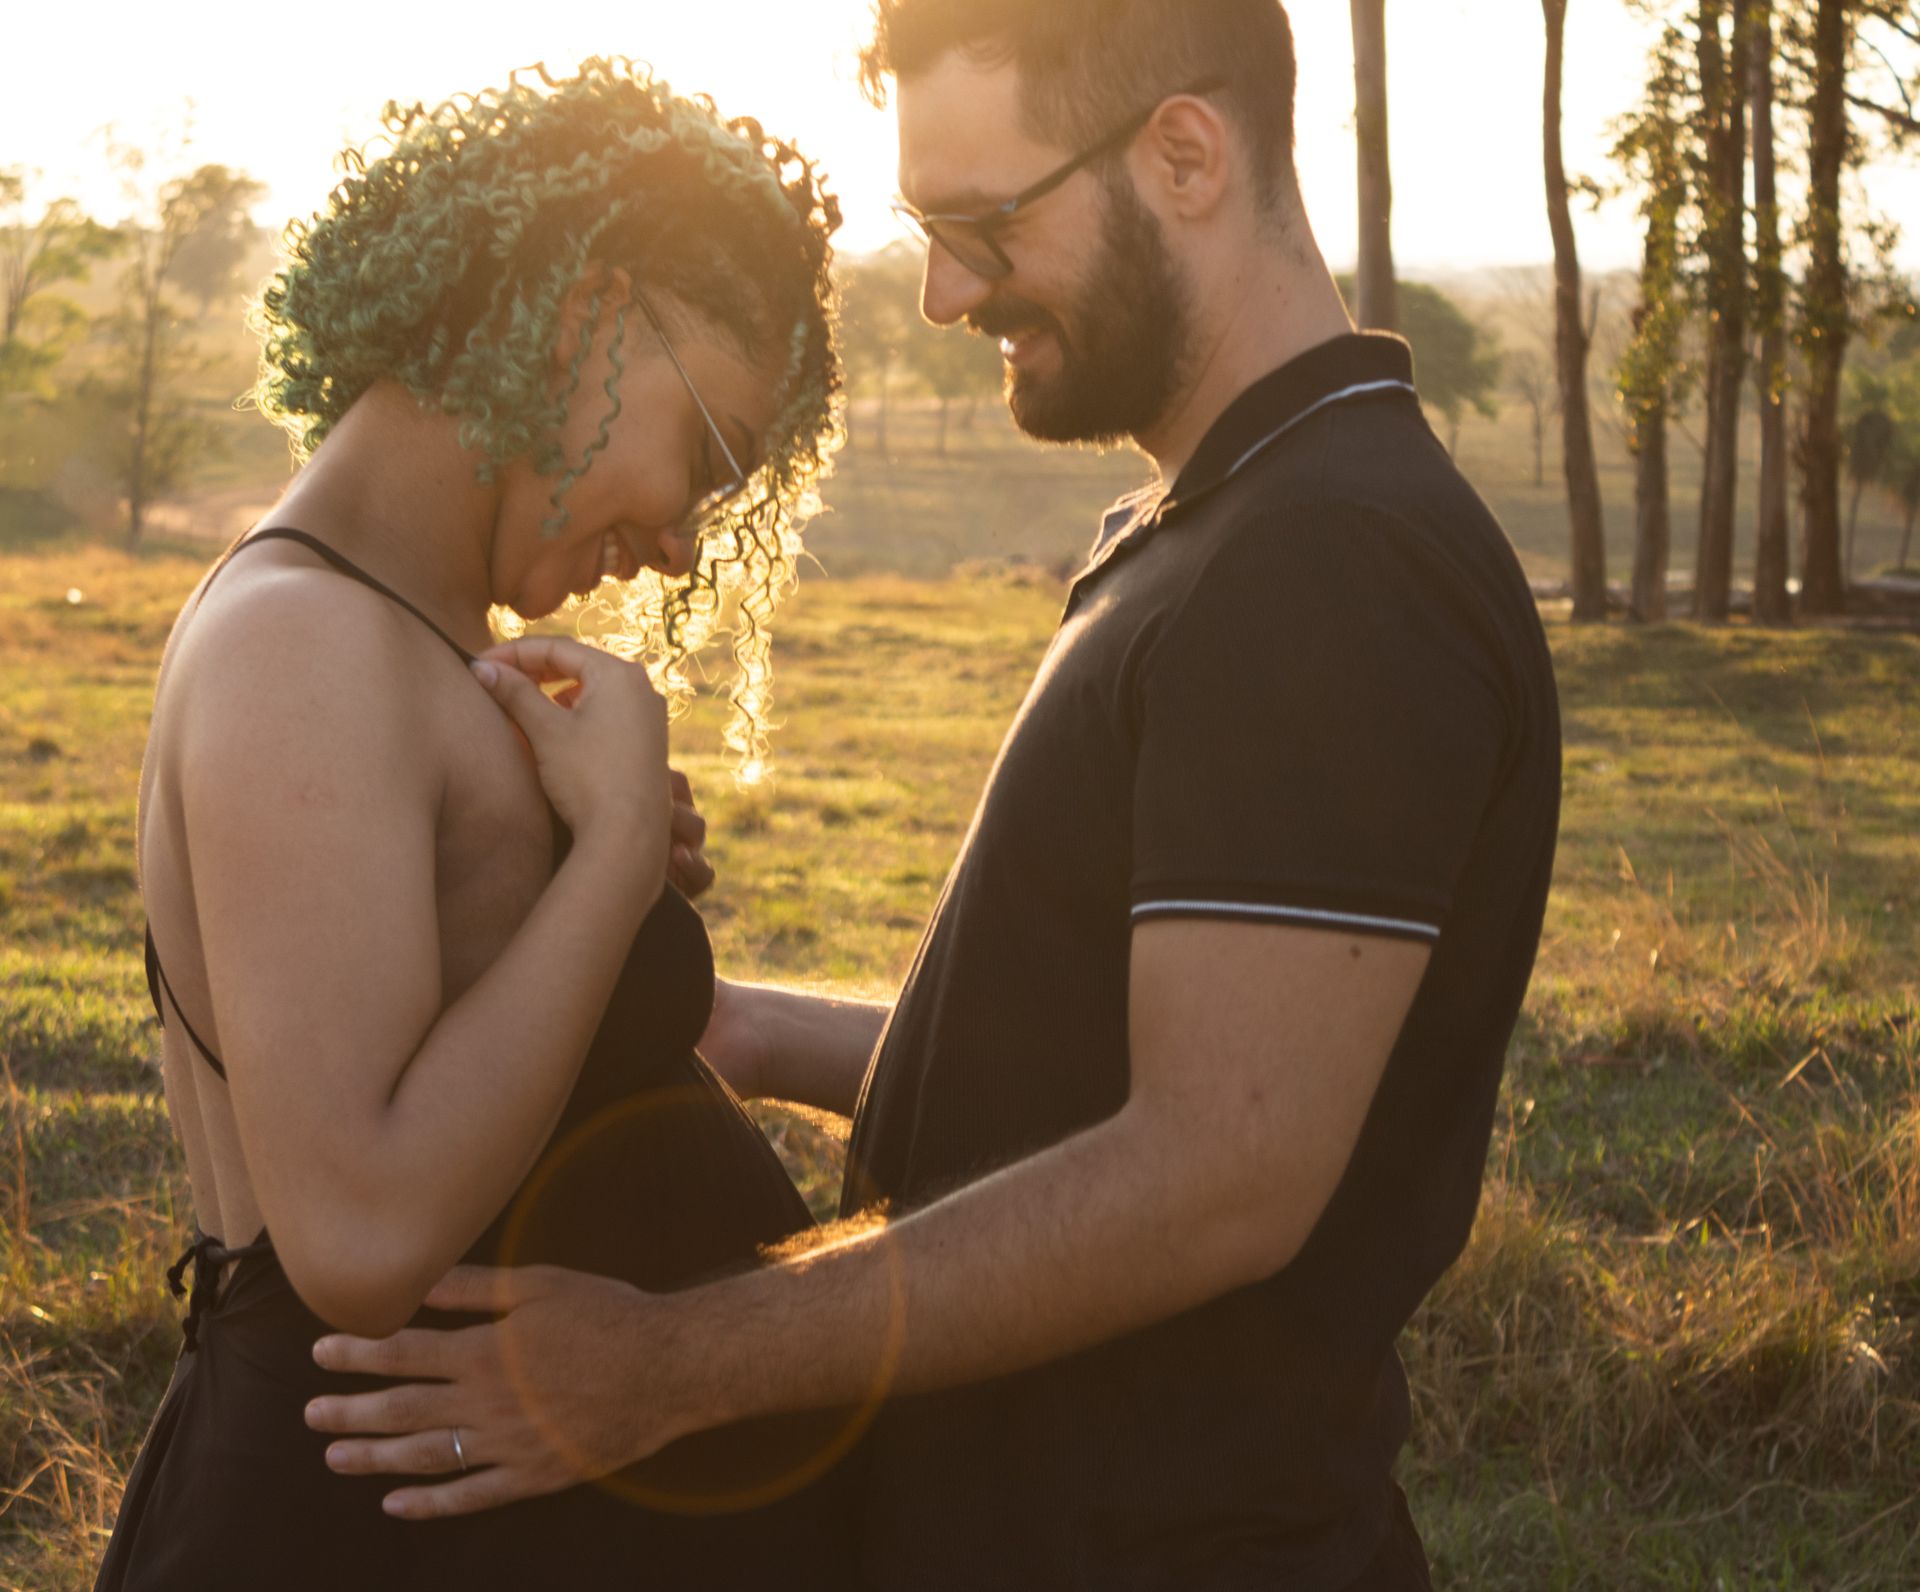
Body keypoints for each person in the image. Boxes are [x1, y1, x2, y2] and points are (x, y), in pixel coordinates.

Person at [306, 4, 1564, 1588]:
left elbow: (1217, 1172)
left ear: (1184, 152)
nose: (945, 291)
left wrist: (668, 1364)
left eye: (982, 224)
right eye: (926, 230)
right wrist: (770, 1037)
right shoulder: (1205, 530)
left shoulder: (1333, 560)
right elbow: (1118, 1065)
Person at [95, 58, 861, 1592]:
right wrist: (611, 871)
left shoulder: (421, 643)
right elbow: (363, 1236)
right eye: (708, 454)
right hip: (351, 1530)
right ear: (588, 307)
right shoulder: (305, 641)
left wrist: (579, 853)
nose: (682, 537)